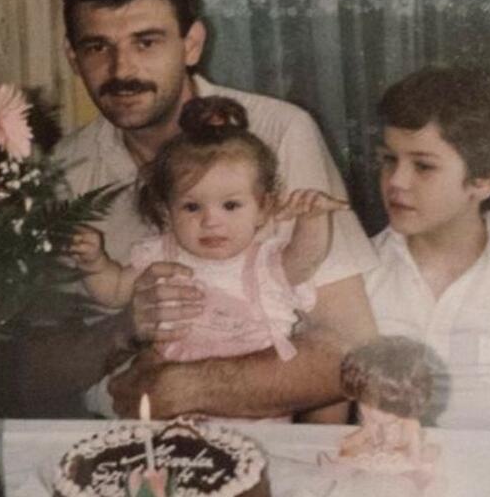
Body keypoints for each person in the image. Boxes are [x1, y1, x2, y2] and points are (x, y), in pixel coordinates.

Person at [12, 0, 378, 419]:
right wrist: (124, 329)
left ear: (192, 44)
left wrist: (183, 388)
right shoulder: (67, 167)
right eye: (97, 47)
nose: (122, 71)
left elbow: (350, 349)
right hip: (120, 438)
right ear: (72, 55)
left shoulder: (279, 132)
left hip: (261, 436)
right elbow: (33, 369)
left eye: (146, 42)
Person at [72, 96, 348, 395]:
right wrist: (94, 263)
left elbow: (306, 259)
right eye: (192, 207)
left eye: (230, 205)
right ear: (166, 211)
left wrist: (313, 218)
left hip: (255, 398)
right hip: (171, 395)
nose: (210, 221)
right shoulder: (160, 257)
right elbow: (113, 291)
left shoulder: (263, 261)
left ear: (263, 208)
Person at [366, 65, 490, 430]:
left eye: (423, 166)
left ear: (483, 182)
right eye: (389, 160)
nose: (397, 181)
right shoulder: (358, 269)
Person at [338, 335, 437, 464]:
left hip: (400, 459)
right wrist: (354, 443)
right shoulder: (371, 422)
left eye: (384, 408)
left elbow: (416, 459)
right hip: (377, 458)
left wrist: (409, 457)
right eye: (366, 404)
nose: (373, 414)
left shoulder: (410, 424)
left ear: (404, 404)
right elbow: (350, 443)